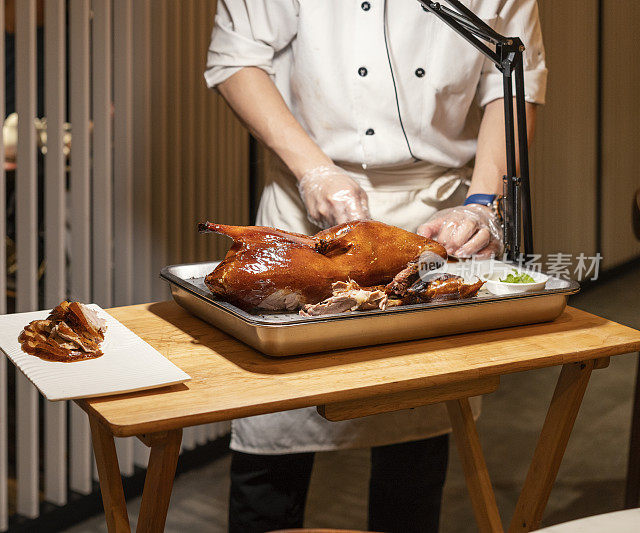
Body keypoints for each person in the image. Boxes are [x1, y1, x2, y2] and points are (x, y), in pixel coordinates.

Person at [204, 1, 546, 532]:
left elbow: (512, 79)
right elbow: (236, 58)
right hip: (306, 215)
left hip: (432, 216)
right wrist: (313, 170)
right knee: (272, 450)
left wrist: (483, 200)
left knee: (413, 443)